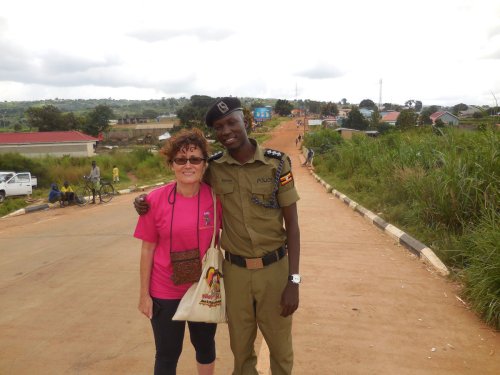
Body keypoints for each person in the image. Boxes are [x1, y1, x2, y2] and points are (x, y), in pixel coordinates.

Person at [135, 97, 301, 375]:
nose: (226, 131)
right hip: (234, 272)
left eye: (231, 123)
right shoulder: (215, 167)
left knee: (281, 349)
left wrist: (294, 280)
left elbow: (293, 225)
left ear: (245, 122)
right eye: (219, 127)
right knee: (241, 348)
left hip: (275, 268)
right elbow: (186, 173)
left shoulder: (277, 164)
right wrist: (146, 198)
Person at [134, 128, 222, 375]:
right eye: (181, 160)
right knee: (166, 353)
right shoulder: (154, 201)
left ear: (204, 164)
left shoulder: (217, 200)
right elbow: (147, 249)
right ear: (171, 164)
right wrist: (144, 295)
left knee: (205, 346)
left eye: (195, 159)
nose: (188, 165)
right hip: (164, 291)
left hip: (203, 289)